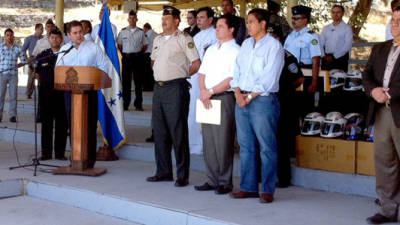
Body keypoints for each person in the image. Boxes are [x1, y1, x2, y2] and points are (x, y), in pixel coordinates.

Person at [229, 8, 284, 203]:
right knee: (246, 146)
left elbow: (269, 78)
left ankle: (268, 189)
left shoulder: (274, 46)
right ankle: (248, 187)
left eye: (252, 21)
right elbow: (237, 71)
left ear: (263, 24)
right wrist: (237, 94)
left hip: (261, 100)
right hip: (241, 99)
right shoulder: (245, 44)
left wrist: (249, 97)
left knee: (266, 147)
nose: (248, 25)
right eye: (247, 22)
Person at [146, 6, 200, 187]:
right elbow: (153, 60)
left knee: (178, 132)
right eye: (163, 17)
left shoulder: (184, 38)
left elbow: (196, 63)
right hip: (159, 88)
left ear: (176, 20)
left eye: (167, 17)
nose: (164, 20)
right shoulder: (158, 39)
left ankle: (182, 175)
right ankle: (163, 171)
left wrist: (182, 75)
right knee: (160, 132)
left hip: (176, 88)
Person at [362, 6, 400, 224]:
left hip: (398, 108)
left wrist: (390, 94)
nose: (394, 23)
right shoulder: (380, 48)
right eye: (393, 19)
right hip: (382, 113)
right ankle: (388, 209)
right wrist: (373, 91)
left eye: (399, 20)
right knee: (385, 161)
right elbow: (366, 74)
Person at [194, 14, 240, 194]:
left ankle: (224, 181)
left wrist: (211, 91)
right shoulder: (212, 49)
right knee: (209, 141)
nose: (217, 29)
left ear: (231, 29)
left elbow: (231, 78)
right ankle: (211, 179)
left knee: (223, 141)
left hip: (223, 97)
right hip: (207, 97)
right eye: (217, 26)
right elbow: (202, 73)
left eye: (221, 26)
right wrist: (204, 92)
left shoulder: (236, 50)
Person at [56, 20, 108, 168]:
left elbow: (103, 67)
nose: (79, 35)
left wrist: (92, 76)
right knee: (73, 125)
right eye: (75, 33)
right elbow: (58, 69)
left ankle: (89, 160)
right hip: (70, 94)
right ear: (68, 35)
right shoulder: (65, 49)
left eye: (81, 32)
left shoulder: (93, 48)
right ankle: (76, 157)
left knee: (89, 125)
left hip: (89, 93)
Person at [269, 22, 304, 188]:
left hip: (284, 102)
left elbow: (300, 78)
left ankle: (283, 178)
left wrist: (287, 90)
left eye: (273, 36)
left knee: (281, 141)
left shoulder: (287, 56)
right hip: (267, 101)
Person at [188, 7, 218, 155]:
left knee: (206, 111)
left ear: (211, 19)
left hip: (209, 80)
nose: (198, 20)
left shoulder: (215, 35)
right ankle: (193, 145)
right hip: (194, 79)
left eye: (201, 17)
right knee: (193, 111)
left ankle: (207, 148)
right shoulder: (196, 36)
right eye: (197, 17)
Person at [35, 29, 68, 161]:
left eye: (57, 37)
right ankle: (46, 153)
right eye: (52, 37)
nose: (54, 40)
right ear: (48, 39)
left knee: (62, 125)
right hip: (46, 96)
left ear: (61, 39)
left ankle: (60, 153)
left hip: (62, 95)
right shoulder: (43, 55)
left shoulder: (67, 54)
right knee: (46, 125)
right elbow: (37, 73)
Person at [284, 5, 322, 117]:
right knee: (289, 108)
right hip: (289, 75)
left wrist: (314, 82)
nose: (293, 21)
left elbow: (316, 59)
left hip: (305, 75)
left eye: (297, 18)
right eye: (293, 18)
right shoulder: (290, 36)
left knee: (303, 108)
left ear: (305, 20)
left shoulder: (312, 36)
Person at [117, 10, 148, 111]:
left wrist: (137, 53)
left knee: (138, 82)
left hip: (137, 58)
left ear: (137, 19)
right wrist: (125, 54)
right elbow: (120, 45)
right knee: (126, 82)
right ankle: (125, 104)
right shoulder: (122, 32)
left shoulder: (141, 32)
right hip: (126, 58)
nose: (132, 20)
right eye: (130, 18)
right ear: (128, 19)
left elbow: (145, 45)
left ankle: (138, 104)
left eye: (134, 18)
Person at [0, 28, 27, 123]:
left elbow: (24, 61)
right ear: (4, 36)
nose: (9, 37)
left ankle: (13, 116)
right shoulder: (0, 47)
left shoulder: (18, 48)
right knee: (0, 95)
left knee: (13, 96)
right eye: (7, 35)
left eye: (11, 35)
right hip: (2, 74)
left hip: (13, 75)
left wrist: (17, 66)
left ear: (13, 37)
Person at [320, 5, 353, 72]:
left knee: (340, 81)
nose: (335, 14)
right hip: (326, 59)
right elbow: (320, 43)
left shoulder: (347, 28)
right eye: (333, 12)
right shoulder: (326, 28)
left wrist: (334, 56)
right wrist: (323, 56)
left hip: (340, 59)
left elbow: (347, 45)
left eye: (338, 12)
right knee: (325, 81)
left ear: (342, 13)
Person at [22, 23, 43, 99]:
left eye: (42, 29)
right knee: (31, 79)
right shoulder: (29, 39)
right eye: (41, 29)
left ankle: (42, 93)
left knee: (41, 78)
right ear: (36, 29)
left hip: (41, 61)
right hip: (32, 61)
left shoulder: (43, 39)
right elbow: (23, 50)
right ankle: (29, 93)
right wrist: (26, 58)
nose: (42, 31)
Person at [143, 23, 157, 91]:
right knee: (152, 72)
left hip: (147, 54)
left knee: (146, 72)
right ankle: (152, 86)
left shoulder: (147, 34)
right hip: (154, 54)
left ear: (146, 28)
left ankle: (147, 87)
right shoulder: (155, 34)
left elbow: (145, 44)